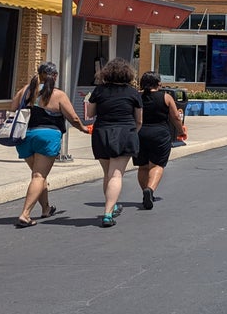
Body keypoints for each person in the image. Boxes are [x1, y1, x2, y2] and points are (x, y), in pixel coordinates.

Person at [11, 62, 89, 228]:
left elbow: (12, 111)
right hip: (47, 136)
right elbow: (73, 118)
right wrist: (83, 129)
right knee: (39, 176)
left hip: (25, 137)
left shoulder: (24, 91)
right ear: (55, 76)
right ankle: (25, 214)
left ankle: (46, 208)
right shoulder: (58, 94)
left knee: (37, 175)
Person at [86, 58, 142, 228]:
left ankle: (112, 205)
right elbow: (139, 120)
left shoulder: (99, 91)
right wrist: (133, 133)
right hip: (125, 132)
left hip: (102, 132)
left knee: (108, 174)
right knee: (116, 174)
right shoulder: (133, 93)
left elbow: (90, 113)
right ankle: (108, 213)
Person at [133, 71, 186, 211]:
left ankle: (145, 190)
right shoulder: (166, 97)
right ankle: (150, 190)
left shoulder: (137, 96)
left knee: (143, 166)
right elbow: (175, 117)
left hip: (139, 133)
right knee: (157, 165)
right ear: (158, 83)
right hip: (160, 133)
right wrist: (181, 131)